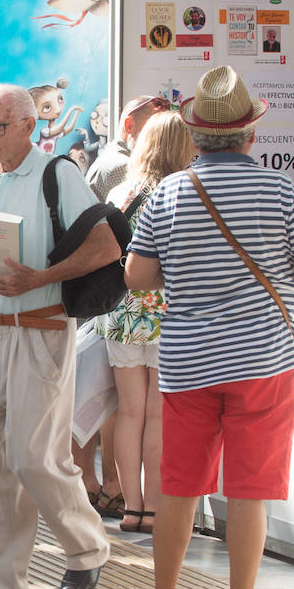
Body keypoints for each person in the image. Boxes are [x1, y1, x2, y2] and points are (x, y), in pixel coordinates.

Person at [125, 65, 294, 589]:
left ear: (196, 136)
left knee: (180, 488)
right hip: (264, 362)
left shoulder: (168, 193)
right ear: (251, 134)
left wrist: (188, 273)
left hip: (189, 364)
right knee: (249, 492)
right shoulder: (280, 191)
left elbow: (138, 275)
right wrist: (278, 276)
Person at [0, 83, 116, 589]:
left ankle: (87, 546)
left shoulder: (57, 174)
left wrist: (42, 276)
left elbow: (108, 244)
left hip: (41, 329)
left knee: (31, 454)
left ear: (28, 125)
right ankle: (2, 582)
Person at [100, 112, 196, 534]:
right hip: (167, 315)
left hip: (122, 313)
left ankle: (131, 507)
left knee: (128, 412)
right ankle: (154, 508)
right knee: (158, 416)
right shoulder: (183, 193)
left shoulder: (122, 192)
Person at [85, 95, 170, 202]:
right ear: (129, 125)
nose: (160, 139)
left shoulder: (113, 156)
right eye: (154, 130)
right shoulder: (123, 166)